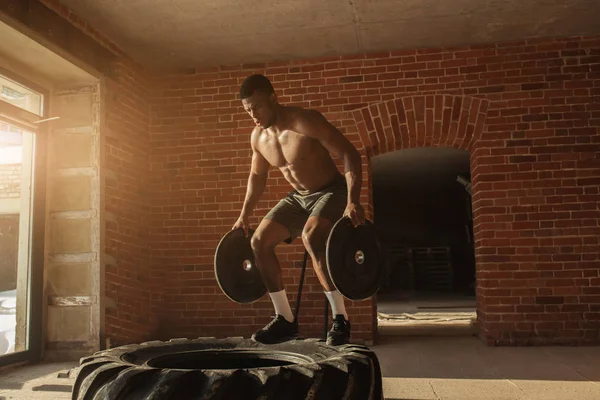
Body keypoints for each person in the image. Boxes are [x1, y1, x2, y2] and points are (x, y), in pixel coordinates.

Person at [232, 74, 365, 346]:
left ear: (273, 98)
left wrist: (353, 199)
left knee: (312, 236)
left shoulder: (305, 121)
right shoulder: (257, 137)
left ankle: (341, 318)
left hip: (331, 190)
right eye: (247, 110)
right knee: (258, 241)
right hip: (298, 197)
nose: (253, 115)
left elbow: (350, 153)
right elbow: (257, 177)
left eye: (257, 107)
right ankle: (285, 320)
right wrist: (244, 213)